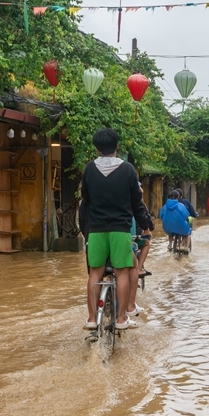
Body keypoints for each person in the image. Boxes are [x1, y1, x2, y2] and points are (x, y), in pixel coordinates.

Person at [78, 129, 151, 331]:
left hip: (96, 229)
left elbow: (85, 201)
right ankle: (121, 319)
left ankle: (92, 319)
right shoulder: (127, 169)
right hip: (120, 229)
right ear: (116, 146)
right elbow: (137, 203)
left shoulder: (89, 169)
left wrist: (85, 230)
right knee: (122, 272)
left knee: (95, 273)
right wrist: (146, 227)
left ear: (96, 148)